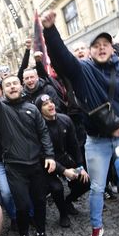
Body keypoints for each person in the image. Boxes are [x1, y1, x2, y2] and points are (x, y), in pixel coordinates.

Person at [41, 14, 119, 236]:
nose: (101, 49)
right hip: (97, 141)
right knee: (97, 187)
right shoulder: (82, 70)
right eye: (96, 46)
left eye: (105, 45)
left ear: (112, 48)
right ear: (90, 51)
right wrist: (50, 30)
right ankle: (97, 226)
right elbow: (60, 57)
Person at [0, 51, 57, 236]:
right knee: (22, 205)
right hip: (14, 166)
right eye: (7, 84)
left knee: (38, 201)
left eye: (14, 83)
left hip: (36, 165)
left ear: (21, 86)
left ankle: (41, 233)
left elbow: (43, 132)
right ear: (3, 90)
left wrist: (50, 156)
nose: (12, 86)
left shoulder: (32, 108)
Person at [36, 95, 90, 228]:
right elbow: (42, 155)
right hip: (47, 165)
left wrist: (80, 166)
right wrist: (64, 171)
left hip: (65, 160)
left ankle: (68, 201)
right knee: (57, 188)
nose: (50, 105)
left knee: (86, 181)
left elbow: (74, 145)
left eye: (51, 102)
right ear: (39, 110)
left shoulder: (65, 119)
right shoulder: (37, 127)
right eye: (45, 104)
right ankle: (63, 213)